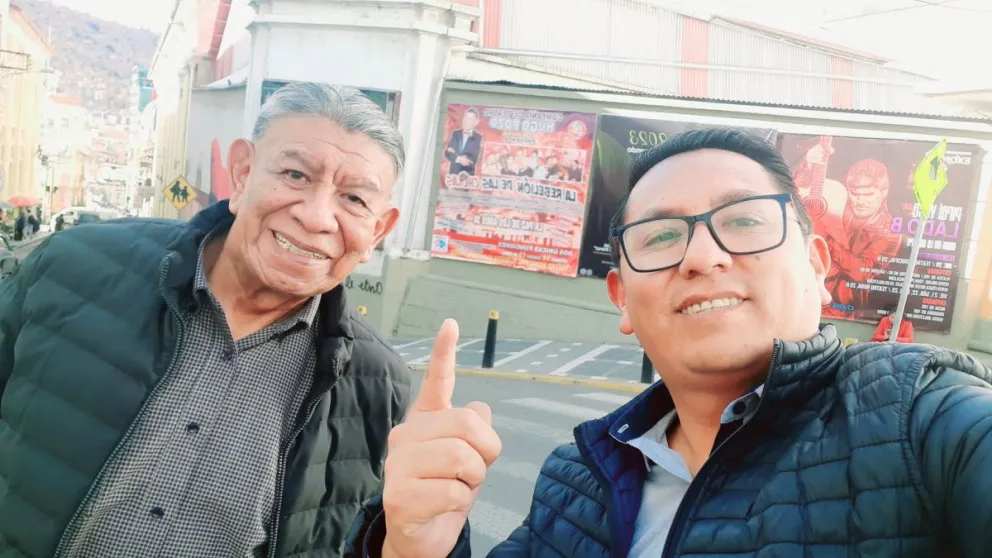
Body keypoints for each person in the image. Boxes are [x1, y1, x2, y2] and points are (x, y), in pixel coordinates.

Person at [345, 128, 992, 558]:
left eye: (743, 221)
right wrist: (411, 544)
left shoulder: (919, 419)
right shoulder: (578, 482)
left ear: (818, 266)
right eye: (659, 236)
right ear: (622, 299)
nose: (702, 256)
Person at [0, 82, 411, 557]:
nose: (318, 217)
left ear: (378, 229)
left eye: (355, 200)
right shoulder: (73, 266)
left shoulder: (379, 385)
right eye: (295, 174)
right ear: (241, 174)